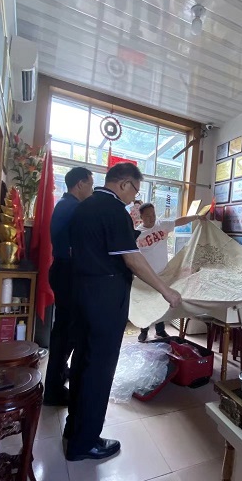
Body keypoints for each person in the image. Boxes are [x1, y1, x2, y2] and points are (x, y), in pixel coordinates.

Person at [65, 162, 181, 461]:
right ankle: (85, 443)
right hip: (105, 299)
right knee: (99, 369)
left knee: (82, 361)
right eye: (135, 191)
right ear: (124, 184)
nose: (134, 199)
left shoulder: (83, 207)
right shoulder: (114, 211)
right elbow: (132, 259)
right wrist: (166, 290)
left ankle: (73, 430)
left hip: (80, 293)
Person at [44, 166, 94, 406]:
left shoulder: (64, 204)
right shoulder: (74, 208)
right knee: (67, 333)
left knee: (64, 329)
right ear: (80, 184)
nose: (91, 190)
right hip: (67, 273)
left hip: (62, 271)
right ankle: (53, 391)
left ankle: (58, 376)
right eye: (91, 184)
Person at [135, 202, 203, 342]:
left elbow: (180, 221)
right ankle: (144, 331)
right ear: (141, 217)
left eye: (153, 214)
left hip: (164, 273)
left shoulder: (161, 225)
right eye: (148, 216)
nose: (152, 218)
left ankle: (160, 330)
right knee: (146, 304)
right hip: (146, 276)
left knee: (162, 302)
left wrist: (197, 216)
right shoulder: (137, 234)